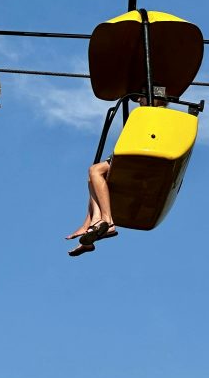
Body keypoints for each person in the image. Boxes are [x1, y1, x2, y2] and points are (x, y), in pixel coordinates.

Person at [66, 95, 166, 257]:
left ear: (155, 98)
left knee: (95, 171)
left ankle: (108, 221)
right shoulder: (145, 115)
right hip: (132, 156)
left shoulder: (156, 116)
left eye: (142, 97)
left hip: (140, 158)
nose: (139, 100)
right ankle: (92, 226)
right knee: (94, 176)